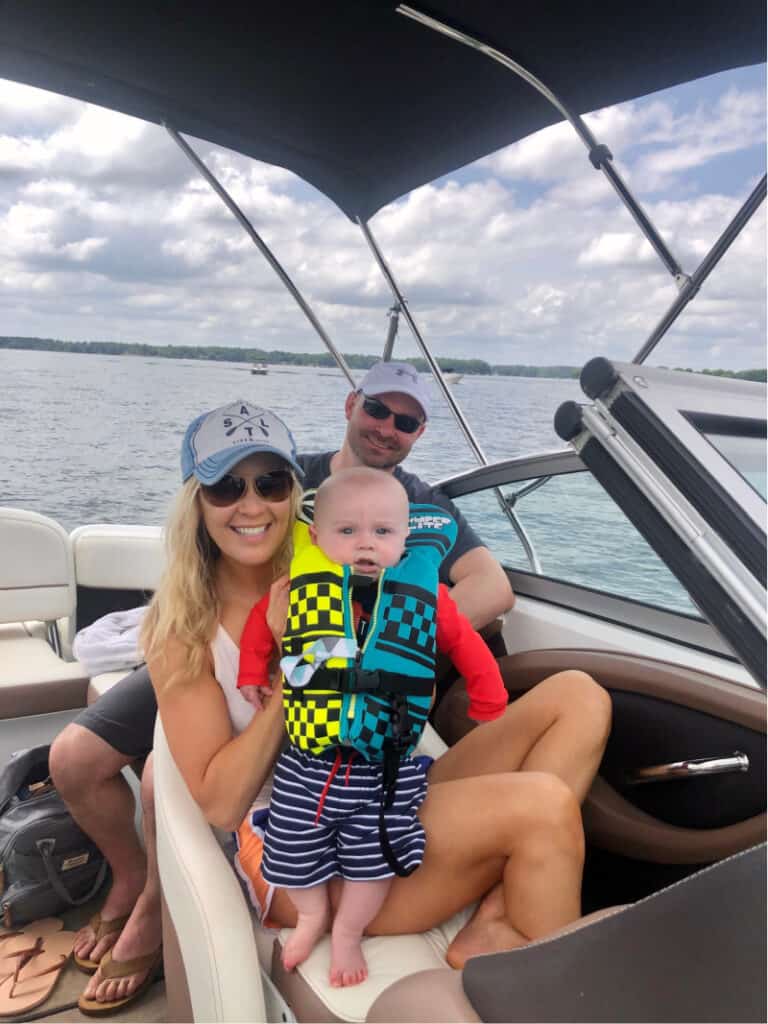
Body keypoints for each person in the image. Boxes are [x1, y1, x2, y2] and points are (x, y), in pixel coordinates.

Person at [48, 370, 608, 1007]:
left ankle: (502, 918)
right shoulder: (185, 631)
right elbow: (220, 804)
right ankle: (542, 989)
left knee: (578, 697)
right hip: (294, 839)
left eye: (270, 483)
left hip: (379, 780)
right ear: (196, 505)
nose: (251, 505)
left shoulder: (340, 565)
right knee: (542, 807)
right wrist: (295, 672)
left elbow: (446, 593)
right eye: (225, 487)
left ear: (297, 493)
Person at [237, 467, 509, 986]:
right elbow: (260, 628)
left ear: (405, 540)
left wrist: (491, 700)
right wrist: (252, 671)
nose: (366, 544)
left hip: (380, 773)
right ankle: (313, 914)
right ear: (315, 537)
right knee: (291, 849)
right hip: (305, 766)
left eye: (382, 533)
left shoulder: (429, 600)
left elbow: (470, 651)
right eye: (348, 532)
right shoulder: (298, 589)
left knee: (373, 860)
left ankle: (347, 932)